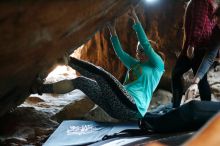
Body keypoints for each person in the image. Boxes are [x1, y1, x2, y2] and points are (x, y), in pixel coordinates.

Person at [31, 8, 165, 120]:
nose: (138, 53)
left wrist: (135, 18)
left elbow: (146, 45)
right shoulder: (135, 64)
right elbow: (120, 53)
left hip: (133, 106)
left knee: (102, 75)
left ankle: (68, 61)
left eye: (141, 51)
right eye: (137, 51)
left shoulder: (157, 66)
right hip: (117, 107)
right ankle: (39, 89)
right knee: (81, 82)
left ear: (150, 52)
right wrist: (112, 30)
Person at [171, 0, 217, 108]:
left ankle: (176, 107)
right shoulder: (208, 2)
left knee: (176, 74)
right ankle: (207, 109)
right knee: (201, 79)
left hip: (197, 46)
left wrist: (192, 44)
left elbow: (198, 22)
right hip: (203, 45)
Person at [185, 6, 220, 99]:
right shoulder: (217, 30)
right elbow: (209, 56)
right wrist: (195, 82)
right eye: (218, 23)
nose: (218, 26)